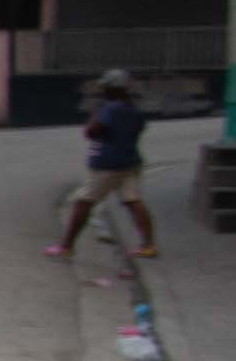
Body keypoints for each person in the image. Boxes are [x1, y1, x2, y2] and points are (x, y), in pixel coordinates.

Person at [55, 68, 159, 266]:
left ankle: (67, 247)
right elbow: (138, 130)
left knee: (84, 202)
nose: (103, 90)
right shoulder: (133, 109)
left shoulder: (110, 109)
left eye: (105, 87)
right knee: (134, 201)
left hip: (107, 165)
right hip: (131, 161)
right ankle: (149, 244)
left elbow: (91, 132)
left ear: (111, 88)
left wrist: (96, 113)